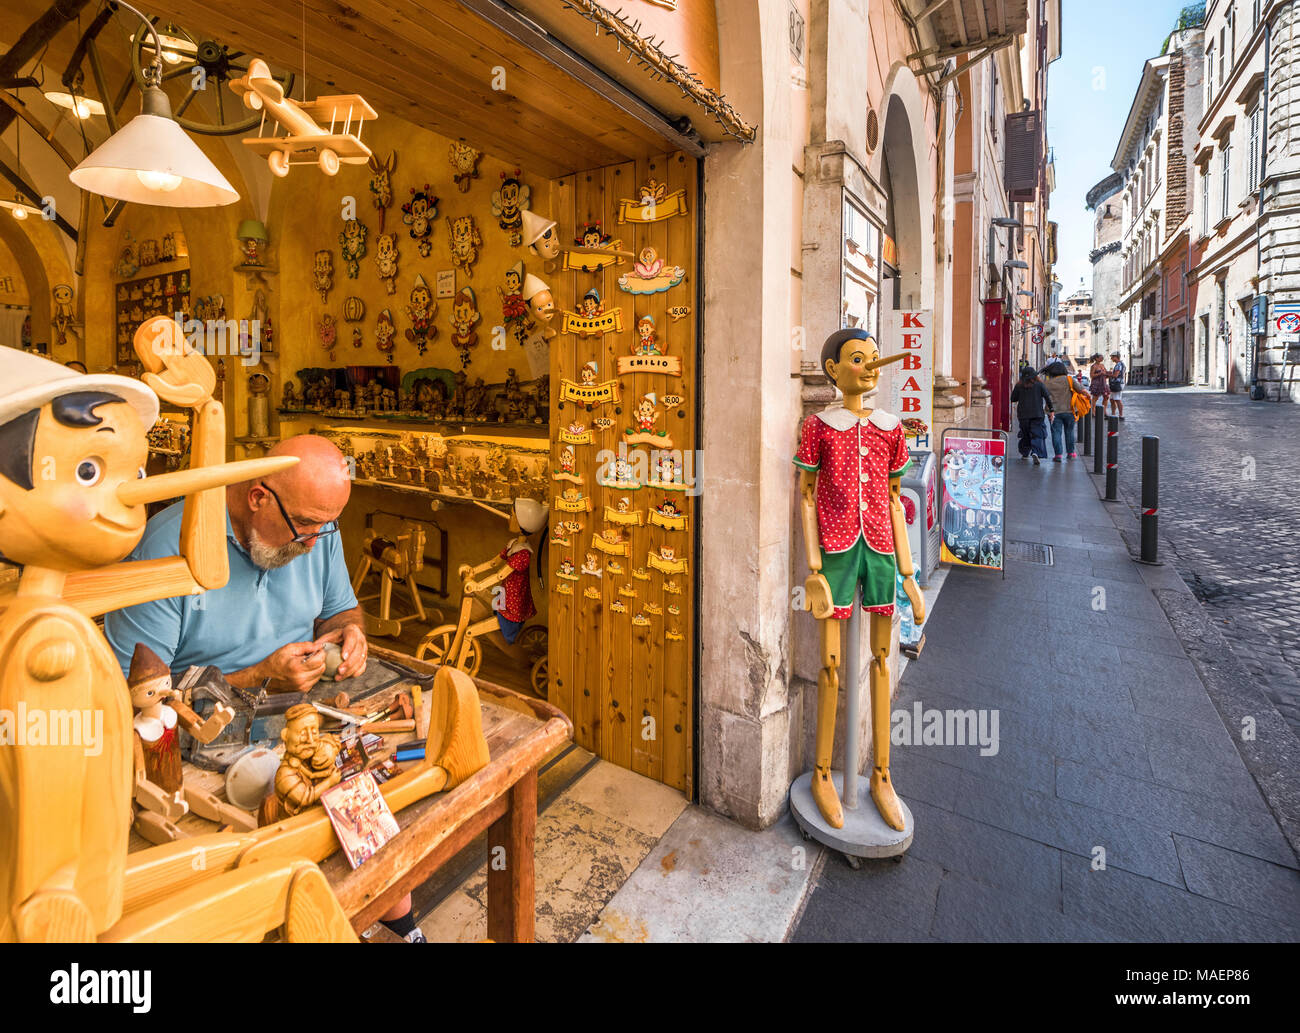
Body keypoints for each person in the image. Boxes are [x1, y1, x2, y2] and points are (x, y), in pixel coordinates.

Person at [105, 434, 425, 942]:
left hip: (298, 720)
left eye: (327, 526)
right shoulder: (169, 546)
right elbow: (128, 696)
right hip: (198, 747)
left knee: (370, 837)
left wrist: (351, 630)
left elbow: (340, 608)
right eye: (304, 528)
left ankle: (399, 923)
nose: (314, 543)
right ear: (258, 498)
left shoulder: (315, 525)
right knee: (267, 881)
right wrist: (258, 674)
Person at [1010, 367, 1053, 465]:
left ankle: (1025, 453)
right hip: (1037, 414)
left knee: (1026, 434)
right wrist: (1052, 410)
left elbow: (1013, 398)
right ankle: (1036, 452)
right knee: (1037, 434)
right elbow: (1047, 398)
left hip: (1023, 415)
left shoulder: (1019, 386)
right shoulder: (1039, 385)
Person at [1041, 360, 1077, 461]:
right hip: (1069, 410)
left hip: (1054, 412)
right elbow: (1081, 389)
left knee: (1056, 433)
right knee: (1069, 432)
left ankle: (1058, 455)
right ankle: (1071, 453)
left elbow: (1043, 395)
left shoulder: (1047, 383)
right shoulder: (1069, 380)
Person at [1088, 353, 1110, 422]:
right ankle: (1093, 412)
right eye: (1101, 357)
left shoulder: (1102, 365)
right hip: (1096, 383)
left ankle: (1104, 411)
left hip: (1103, 383)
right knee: (1095, 398)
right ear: (1096, 358)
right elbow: (1091, 375)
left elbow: (1105, 373)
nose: (1102, 358)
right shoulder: (1093, 366)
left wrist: (1108, 373)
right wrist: (1100, 373)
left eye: (1102, 357)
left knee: (1106, 396)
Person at [1108, 350, 1126, 419]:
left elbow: (1115, 375)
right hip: (1116, 383)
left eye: (1112, 357)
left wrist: (1108, 374)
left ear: (1116, 357)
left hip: (1117, 384)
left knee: (1117, 399)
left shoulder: (1119, 364)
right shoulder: (1120, 364)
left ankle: (1121, 415)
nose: (1111, 359)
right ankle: (1113, 414)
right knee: (1112, 399)